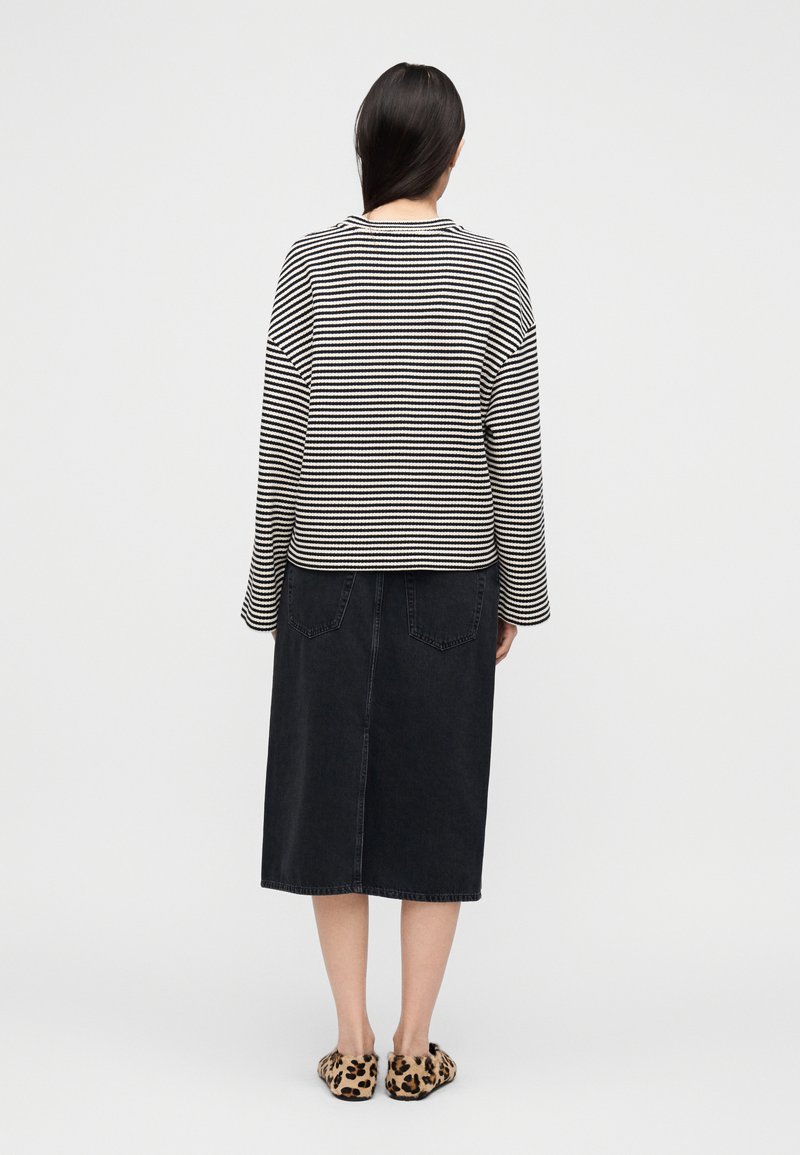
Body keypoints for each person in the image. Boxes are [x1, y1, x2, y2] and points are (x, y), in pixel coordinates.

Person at [240, 61, 551, 1101]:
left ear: (365, 150)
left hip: (323, 579)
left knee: (328, 810)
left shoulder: (312, 264)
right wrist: (520, 593)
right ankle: (416, 1042)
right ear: (451, 159)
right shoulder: (492, 272)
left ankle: (351, 1040)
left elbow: (281, 438)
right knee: (435, 810)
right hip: (454, 581)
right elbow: (513, 445)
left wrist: (265, 589)